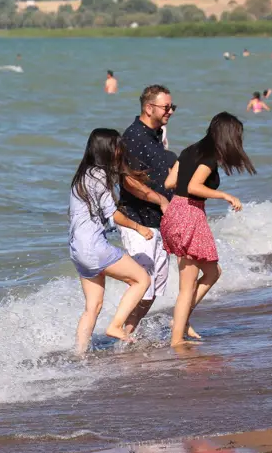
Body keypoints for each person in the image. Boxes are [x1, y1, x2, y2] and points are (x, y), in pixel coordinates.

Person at [161, 112, 256, 347]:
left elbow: (169, 183)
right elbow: (194, 187)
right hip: (189, 214)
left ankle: (181, 321)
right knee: (188, 285)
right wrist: (224, 194)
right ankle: (176, 340)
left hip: (175, 212)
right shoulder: (210, 158)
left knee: (212, 273)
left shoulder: (190, 150)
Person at [70, 129, 152, 353]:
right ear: (106, 149)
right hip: (95, 248)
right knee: (141, 280)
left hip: (77, 249)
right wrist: (138, 227)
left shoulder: (82, 176)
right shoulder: (99, 176)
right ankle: (116, 326)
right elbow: (112, 214)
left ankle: (79, 354)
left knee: (92, 307)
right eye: (117, 147)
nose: (120, 151)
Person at [118, 85, 177, 334]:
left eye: (172, 107)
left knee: (156, 287)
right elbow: (127, 180)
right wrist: (161, 201)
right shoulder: (132, 137)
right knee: (142, 284)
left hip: (159, 222)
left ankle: (127, 333)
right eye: (166, 107)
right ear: (148, 107)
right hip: (138, 222)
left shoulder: (156, 135)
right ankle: (119, 332)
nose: (171, 111)